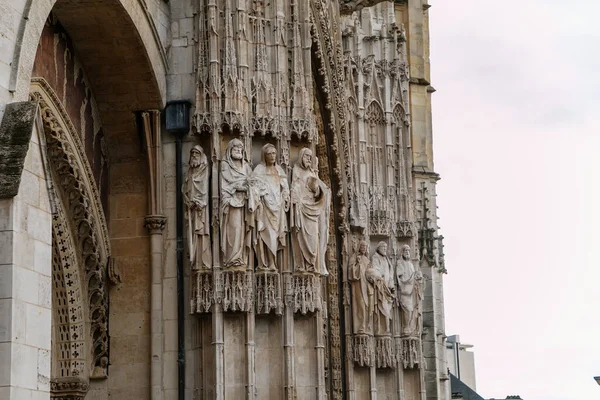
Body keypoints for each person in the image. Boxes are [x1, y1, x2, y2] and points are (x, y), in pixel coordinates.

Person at [290, 148, 330, 276]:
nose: (308, 159)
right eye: (306, 156)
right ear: (301, 156)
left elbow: (320, 192)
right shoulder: (296, 171)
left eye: (310, 157)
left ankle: (312, 265)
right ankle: (301, 265)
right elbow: (294, 188)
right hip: (302, 209)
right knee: (301, 236)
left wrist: (316, 189)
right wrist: (296, 200)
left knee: (314, 237)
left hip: (313, 210)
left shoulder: (312, 173)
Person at [252, 144, 290, 271]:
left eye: (274, 153)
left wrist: (285, 197)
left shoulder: (279, 170)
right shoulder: (258, 170)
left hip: (278, 208)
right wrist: (260, 194)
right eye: (269, 154)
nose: (272, 156)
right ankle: (266, 263)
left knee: (275, 235)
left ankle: (273, 263)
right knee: (266, 235)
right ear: (264, 156)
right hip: (264, 207)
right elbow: (253, 186)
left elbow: (285, 189)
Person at [220, 138, 257, 268]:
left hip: (245, 204)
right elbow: (225, 185)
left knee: (242, 229)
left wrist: (248, 188)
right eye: (235, 148)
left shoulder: (246, 166)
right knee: (234, 228)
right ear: (230, 150)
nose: (238, 150)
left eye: (240, 148)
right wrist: (240, 186)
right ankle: (232, 259)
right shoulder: (225, 165)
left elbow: (253, 182)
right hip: (231, 204)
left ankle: (240, 258)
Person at [183, 145, 211, 270]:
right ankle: (196, 260)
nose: (194, 155)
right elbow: (184, 189)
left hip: (201, 209)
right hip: (191, 208)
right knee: (192, 232)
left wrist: (199, 202)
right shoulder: (189, 172)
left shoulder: (204, 169)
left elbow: (204, 189)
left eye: (197, 153)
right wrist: (188, 200)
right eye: (192, 153)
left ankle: (202, 260)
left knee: (201, 232)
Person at [367, 241, 395, 335]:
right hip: (380, 286)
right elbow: (375, 269)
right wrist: (380, 276)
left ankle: (386, 329)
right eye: (383, 247)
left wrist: (391, 284)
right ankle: (382, 329)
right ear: (378, 248)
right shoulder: (375, 257)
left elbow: (390, 272)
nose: (384, 249)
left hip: (388, 287)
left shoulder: (386, 259)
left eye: (386, 247)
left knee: (388, 308)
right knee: (383, 307)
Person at [396, 244, 423, 337]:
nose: (407, 252)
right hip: (404, 290)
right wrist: (410, 278)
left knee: (411, 309)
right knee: (407, 309)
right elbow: (399, 276)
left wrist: (417, 277)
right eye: (405, 251)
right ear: (402, 252)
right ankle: (405, 327)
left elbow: (413, 275)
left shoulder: (411, 264)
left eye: (408, 251)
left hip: (411, 290)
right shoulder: (400, 262)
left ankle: (409, 327)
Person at [349, 240, 374, 334]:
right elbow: (350, 271)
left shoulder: (367, 260)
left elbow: (370, 272)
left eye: (365, 247)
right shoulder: (354, 257)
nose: (364, 248)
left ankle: (367, 325)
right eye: (362, 246)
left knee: (368, 306)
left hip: (367, 286)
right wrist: (358, 264)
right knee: (361, 305)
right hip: (358, 286)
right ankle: (361, 325)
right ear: (359, 247)